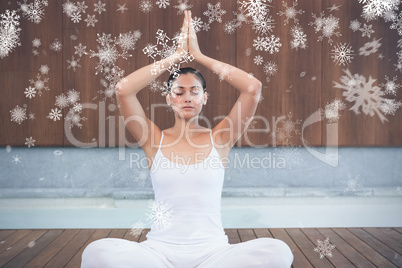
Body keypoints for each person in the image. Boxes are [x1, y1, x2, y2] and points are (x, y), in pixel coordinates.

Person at [81, 10, 294, 268]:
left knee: (278, 251)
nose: (187, 98)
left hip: (214, 254)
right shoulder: (153, 139)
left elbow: (253, 87)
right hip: (158, 253)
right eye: (179, 92)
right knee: (96, 252)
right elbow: (124, 89)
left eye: (195, 92)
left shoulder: (221, 138)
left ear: (205, 97)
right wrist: (176, 57)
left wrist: (200, 56)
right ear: (169, 99)